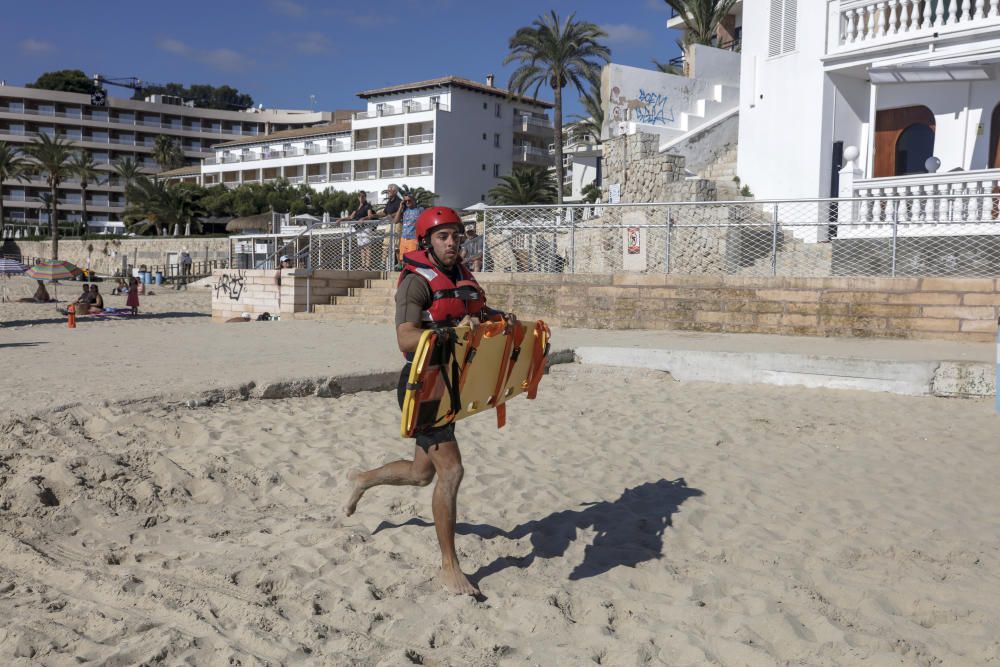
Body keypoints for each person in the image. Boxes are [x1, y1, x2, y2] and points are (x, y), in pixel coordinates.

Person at [345, 206, 508, 597]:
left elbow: (479, 317)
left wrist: (500, 322)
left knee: (423, 474)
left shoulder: (464, 277)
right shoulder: (416, 282)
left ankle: (362, 479)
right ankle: (449, 567)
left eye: (456, 236)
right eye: (443, 237)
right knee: (451, 471)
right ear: (427, 243)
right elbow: (404, 338)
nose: (452, 243)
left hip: (451, 383)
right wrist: (452, 332)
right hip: (423, 385)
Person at [337, 191, 378, 269]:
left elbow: (370, 216)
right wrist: (341, 219)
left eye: (363, 196)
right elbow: (351, 217)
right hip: (358, 229)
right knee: (362, 247)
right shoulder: (357, 207)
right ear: (358, 197)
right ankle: (363, 265)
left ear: (365, 197)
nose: (361, 198)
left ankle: (368, 265)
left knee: (367, 246)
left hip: (365, 228)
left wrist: (363, 218)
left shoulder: (368, 206)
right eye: (359, 196)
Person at [394, 193, 424, 268]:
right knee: (403, 261)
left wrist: (419, 239)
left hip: (413, 239)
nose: (407, 202)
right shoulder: (404, 210)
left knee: (411, 261)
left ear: (414, 200)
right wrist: (400, 207)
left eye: (409, 200)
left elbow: (423, 224)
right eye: (405, 201)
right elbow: (395, 221)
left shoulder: (420, 210)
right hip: (403, 239)